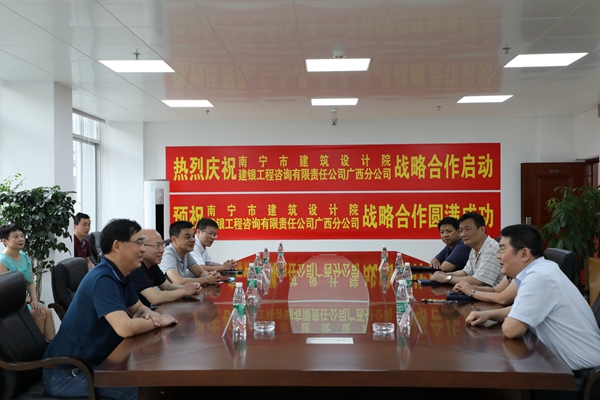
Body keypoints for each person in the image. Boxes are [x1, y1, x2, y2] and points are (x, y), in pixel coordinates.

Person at [43, 219, 178, 400]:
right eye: (138, 243)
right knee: (150, 392)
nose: (143, 249)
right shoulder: (103, 279)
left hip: (99, 362)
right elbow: (125, 327)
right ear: (117, 246)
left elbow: (138, 308)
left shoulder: (119, 274)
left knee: (156, 383)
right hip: (68, 373)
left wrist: (149, 314)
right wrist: (159, 320)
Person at [466, 224, 600, 400]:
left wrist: (505, 319)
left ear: (524, 254)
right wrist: (489, 315)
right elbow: (522, 308)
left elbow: (511, 330)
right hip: (564, 368)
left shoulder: (538, 277)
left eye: (503, 249)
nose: (498, 255)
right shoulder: (543, 269)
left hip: (580, 379)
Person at [0, 223, 56, 340]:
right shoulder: (2, 260)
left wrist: (34, 299)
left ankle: (52, 347)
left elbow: (30, 282)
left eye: (22, 235)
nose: (21, 239)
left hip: (25, 300)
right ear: (5, 241)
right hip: (11, 303)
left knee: (48, 311)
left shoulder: (24, 256)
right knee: (39, 314)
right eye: (16, 236)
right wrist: (27, 299)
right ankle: (37, 348)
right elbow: (5, 291)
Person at [129, 229, 202, 307]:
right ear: (141, 246)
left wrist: (190, 288)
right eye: (157, 245)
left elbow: (167, 286)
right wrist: (184, 291)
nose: (162, 250)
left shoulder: (151, 264)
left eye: (162, 245)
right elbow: (155, 298)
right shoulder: (135, 267)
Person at [430, 212, 503, 287]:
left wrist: (446, 278)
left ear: (482, 230)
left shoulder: (491, 249)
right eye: (461, 231)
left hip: (492, 293)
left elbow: (478, 281)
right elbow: (466, 272)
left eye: (467, 229)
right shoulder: (474, 248)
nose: (463, 234)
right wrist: (443, 275)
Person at [159, 221, 222, 285]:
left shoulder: (186, 253)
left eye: (193, 236)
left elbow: (200, 272)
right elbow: (178, 281)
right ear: (174, 240)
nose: (193, 240)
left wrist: (212, 275)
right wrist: (207, 279)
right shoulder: (167, 254)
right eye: (187, 237)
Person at [452, 276, 517, 306]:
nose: (498, 256)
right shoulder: (511, 274)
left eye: (503, 252)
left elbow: (502, 299)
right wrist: (465, 287)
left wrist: (472, 292)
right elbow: (495, 290)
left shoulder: (521, 273)